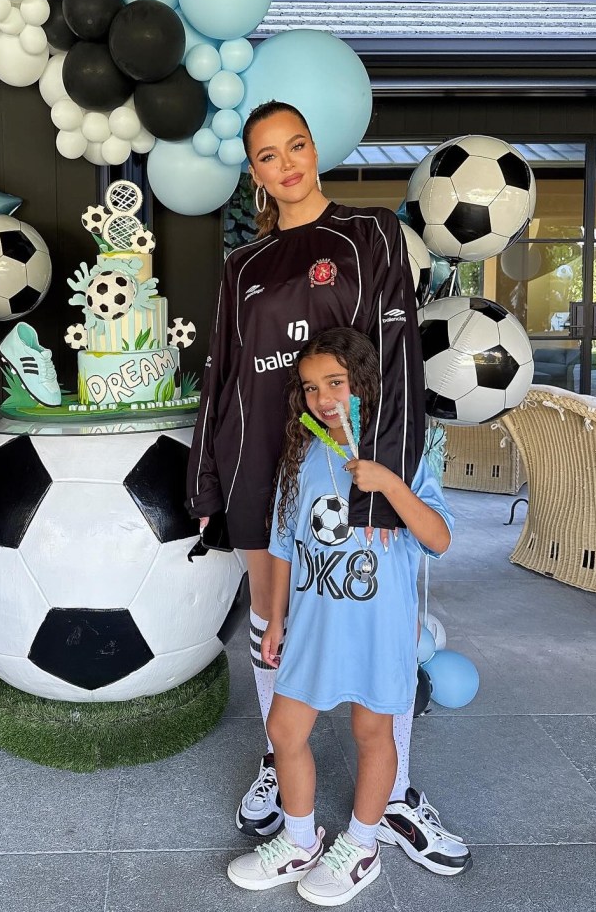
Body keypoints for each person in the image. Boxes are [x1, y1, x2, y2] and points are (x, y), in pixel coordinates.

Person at [186, 100, 470, 871]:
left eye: (297, 146)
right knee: (276, 612)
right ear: (255, 172)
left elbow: (400, 359)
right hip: (261, 463)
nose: (288, 164)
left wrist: (378, 489)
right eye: (269, 155)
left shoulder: (369, 233)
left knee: (376, 608)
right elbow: (223, 376)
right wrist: (207, 482)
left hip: (352, 464)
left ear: (316, 149)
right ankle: (284, 763)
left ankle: (395, 788)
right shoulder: (242, 266)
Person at [227, 327, 461, 905]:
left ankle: (361, 845)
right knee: (284, 729)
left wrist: (388, 484)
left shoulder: (406, 450)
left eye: (336, 382)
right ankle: (300, 840)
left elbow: (439, 538)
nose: (323, 397)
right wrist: (276, 619)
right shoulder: (303, 453)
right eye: (310, 387)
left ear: (364, 383)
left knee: (372, 732)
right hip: (313, 625)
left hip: (377, 632)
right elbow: (283, 543)